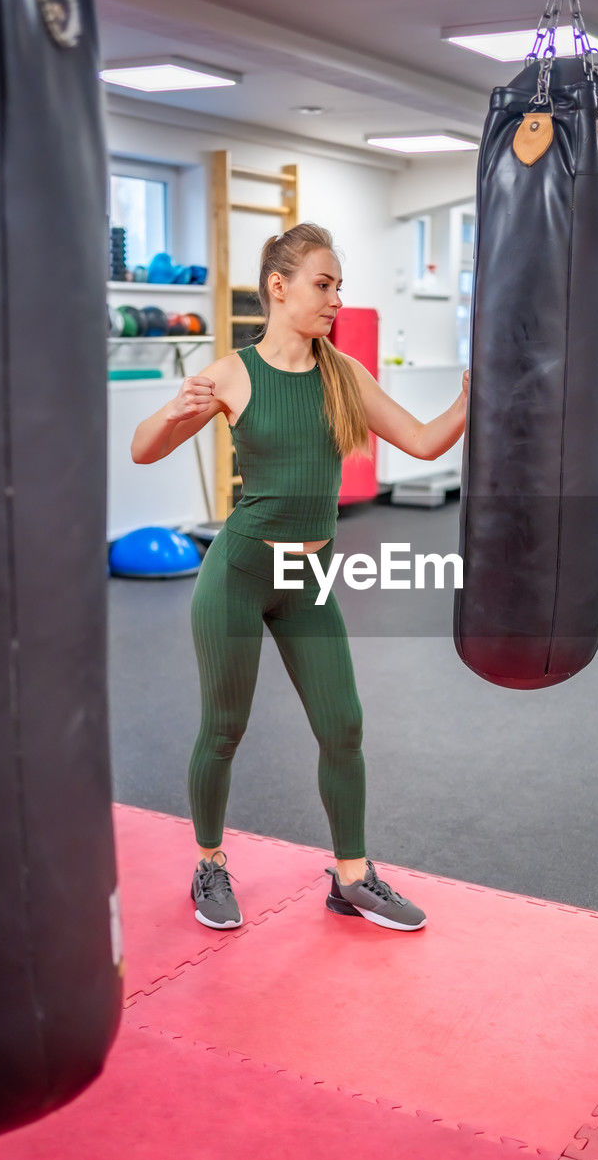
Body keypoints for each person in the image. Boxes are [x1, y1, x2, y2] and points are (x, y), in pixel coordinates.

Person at [131, 223, 468, 933]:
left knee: (342, 726)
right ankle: (210, 865)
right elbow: (143, 449)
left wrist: (475, 395)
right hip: (240, 571)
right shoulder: (231, 373)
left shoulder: (343, 374)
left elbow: (424, 439)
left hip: (306, 574)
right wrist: (176, 413)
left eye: (339, 286)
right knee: (224, 729)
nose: (335, 299)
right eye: (324, 283)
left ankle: (350, 878)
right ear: (278, 288)